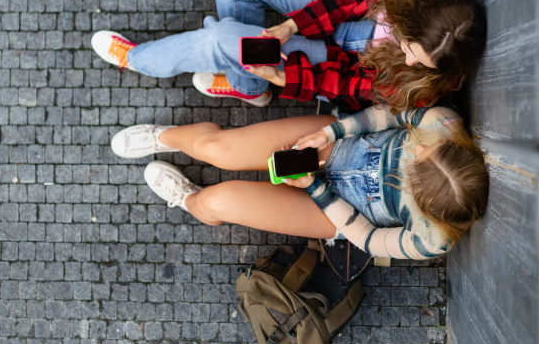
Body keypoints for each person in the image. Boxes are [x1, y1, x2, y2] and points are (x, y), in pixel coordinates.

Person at [91, 0, 485, 113]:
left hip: (338, 60)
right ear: (409, 15)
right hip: (342, 11)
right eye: (411, 44)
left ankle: (141, 60)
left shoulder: (423, 83)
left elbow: (347, 85)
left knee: (220, 40)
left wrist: (281, 74)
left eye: (419, 60)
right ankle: (248, 82)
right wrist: (290, 26)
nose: (410, 58)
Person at [112, 103, 489, 260]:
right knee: (217, 148)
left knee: (216, 203)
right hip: (337, 147)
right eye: (417, 150)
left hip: (337, 213)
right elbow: (382, 118)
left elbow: (369, 240)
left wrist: (316, 188)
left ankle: (191, 200)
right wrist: (330, 133)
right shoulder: (441, 124)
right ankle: (164, 136)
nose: (415, 152)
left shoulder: (433, 239)